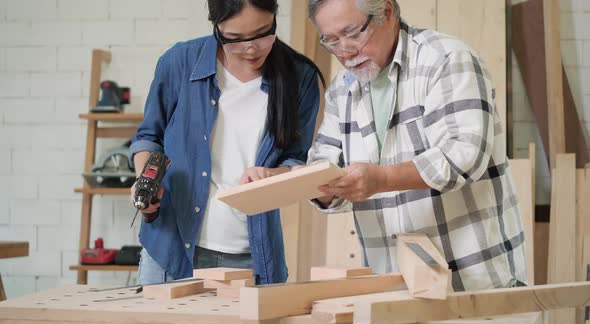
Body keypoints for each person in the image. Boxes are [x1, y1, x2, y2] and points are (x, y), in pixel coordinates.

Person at [305, 0, 527, 291]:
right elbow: (325, 163)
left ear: (386, 12)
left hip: (472, 279)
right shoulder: (342, 91)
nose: (345, 51)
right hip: (391, 284)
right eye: (332, 40)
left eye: (353, 33)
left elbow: (464, 156)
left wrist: (381, 179)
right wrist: (298, 181)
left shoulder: (446, 59)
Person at [129, 0, 324, 285]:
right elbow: (149, 136)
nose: (251, 49)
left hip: (253, 255)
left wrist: (272, 176)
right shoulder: (179, 63)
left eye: (262, 33)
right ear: (217, 28)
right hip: (172, 248)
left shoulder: (300, 77)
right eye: (234, 39)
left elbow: (296, 159)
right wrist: (146, 182)